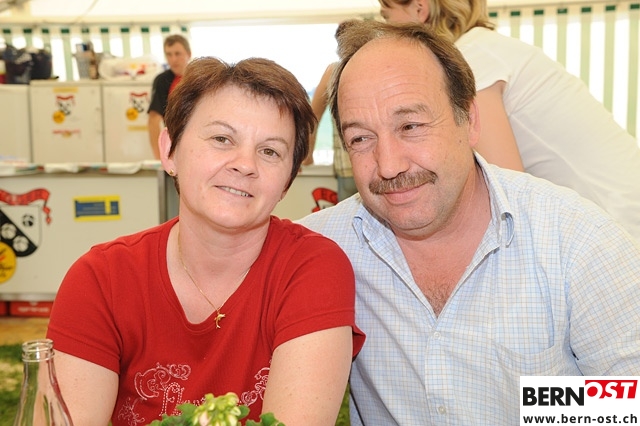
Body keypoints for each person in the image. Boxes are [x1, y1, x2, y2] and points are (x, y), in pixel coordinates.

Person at [298, 20, 640, 425]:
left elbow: (627, 406)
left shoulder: (580, 243)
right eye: (360, 138)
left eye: (410, 126)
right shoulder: (320, 250)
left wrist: (526, 404)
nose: (388, 165)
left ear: (471, 121)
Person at [47, 56, 365, 426]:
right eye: (221, 139)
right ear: (169, 150)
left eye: (270, 151)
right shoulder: (101, 279)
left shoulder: (311, 270)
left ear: (286, 183)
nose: (245, 164)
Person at [378, 0, 640, 241]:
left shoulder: (473, 58)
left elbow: (507, 191)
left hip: (616, 220)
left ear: (420, 8)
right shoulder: (490, 47)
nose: (387, 27)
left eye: (387, 16)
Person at [303, 21, 358, 202]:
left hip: (348, 166)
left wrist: (308, 154)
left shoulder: (334, 71)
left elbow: (314, 116)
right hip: (367, 163)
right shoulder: (374, 68)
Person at [147, 34, 191, 159]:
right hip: (174, 147)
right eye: (169, 54)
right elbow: (153, 120)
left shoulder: (199, 79)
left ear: (188, 54)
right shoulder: (162, 81)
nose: (173, 59)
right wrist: (159, 158)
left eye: (177, 54)